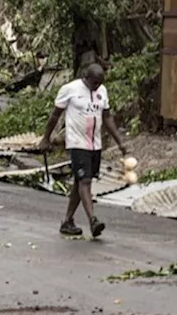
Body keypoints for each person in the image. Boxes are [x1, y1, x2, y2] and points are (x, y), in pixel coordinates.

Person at [38, 63, 127, 239]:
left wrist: (121, 143)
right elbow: (55, 115)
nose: (97, 86)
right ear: (86, 78)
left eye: (100, 83)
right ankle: (93, 220)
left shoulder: (102, 91)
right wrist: (46, 138)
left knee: (81, 182)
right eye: (94, 83)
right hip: (77, 143)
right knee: (85, 180)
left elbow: (107, 117)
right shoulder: (70, 89)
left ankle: (67, 221)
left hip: (95, 145)